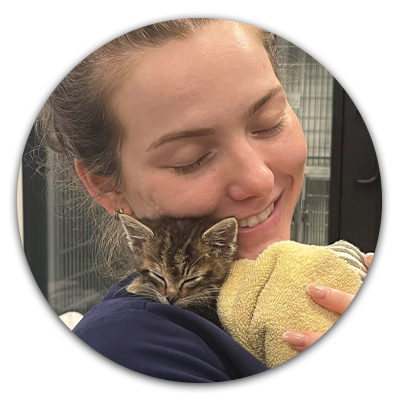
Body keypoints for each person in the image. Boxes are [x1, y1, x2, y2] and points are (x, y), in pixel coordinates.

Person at [35, 18, 373, 382]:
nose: (258, 180)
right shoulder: (131, 348)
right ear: (106, 186)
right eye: (190, 159)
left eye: (269, 122)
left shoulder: (284, 281)